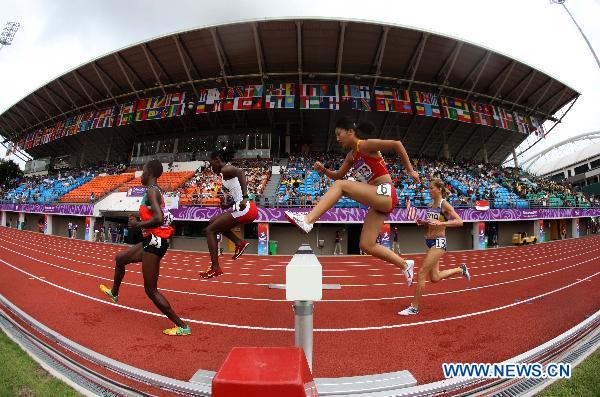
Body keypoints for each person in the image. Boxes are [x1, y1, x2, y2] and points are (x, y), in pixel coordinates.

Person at [285, 117, 418, 285]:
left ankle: (308, 220)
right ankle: (405, 264)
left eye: (339, 134)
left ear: (350, 132)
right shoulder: (351, 156)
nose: (337, 138)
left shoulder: (364, 145)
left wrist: (411, 171)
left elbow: (397, 144)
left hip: (385, 192)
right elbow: (338, 176)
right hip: (378, 199)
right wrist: (324, 170)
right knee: (366, 245)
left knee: (341, 186)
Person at [100, 159, 190, 336]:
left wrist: (138, 225)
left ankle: (182, 326)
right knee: (120, 259)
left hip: (155, 242)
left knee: (150, 289)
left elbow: (158, 218)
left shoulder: (151, 191)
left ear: (149, 173)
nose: (141, 175)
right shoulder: (154, 191)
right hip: (152, 240)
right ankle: (115, 293)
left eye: (142, 171)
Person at [399, 179, 471, 316]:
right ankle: (460, 269)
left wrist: (441, 223)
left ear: (438, 189)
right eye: (428, 188)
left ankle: (414, 307)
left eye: (431, 188)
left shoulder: (445, 204)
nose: (428, 190)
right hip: (430, 242)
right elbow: (432, 223)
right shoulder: (430, 204)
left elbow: (459, 221)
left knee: (421, 273)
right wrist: (424, 222)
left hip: (439, 242)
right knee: (435, 278)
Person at [199, 146, 259, 279]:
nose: (210, 167)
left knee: (210, 231)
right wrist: (229, 204)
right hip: (242, 207)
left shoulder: (225, 168)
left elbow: (241, 172)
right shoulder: (224, 172)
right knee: (212, 223)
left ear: (216, 160)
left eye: (210, 163)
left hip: (245, 208)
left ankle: (215, 268)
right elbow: (236, 188)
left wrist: (244, 197)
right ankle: (239, 243)